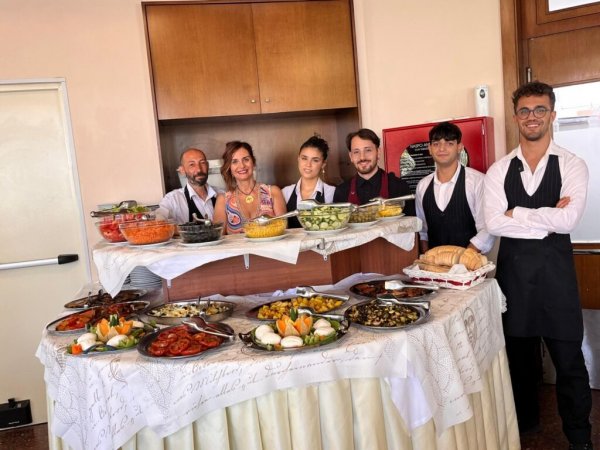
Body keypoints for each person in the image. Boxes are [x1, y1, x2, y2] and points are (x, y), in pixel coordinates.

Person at [484, 81, 592, 450]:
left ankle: (580, 439)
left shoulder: (572, 164)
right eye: (525, 111)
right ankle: (524, 431)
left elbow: (569, 220)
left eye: (540, 109)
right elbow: (493, 223)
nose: (532, 117)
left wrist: (516, 212)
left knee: (570, 364)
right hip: (514, 280)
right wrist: (546, 219)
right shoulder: (499, 170)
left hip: (557, 280)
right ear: (516, 117)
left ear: (552, 114)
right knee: (518, 364)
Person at [416, 121, 494, 254]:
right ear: (429, 148)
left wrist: (463, 259)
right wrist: (427, 258)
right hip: (433, 265)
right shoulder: (422, 186)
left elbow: (487, 229)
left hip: (470, 263)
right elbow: (423, 231)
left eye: (449, 143)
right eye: (436, 144)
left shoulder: (477, 181)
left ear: (459, 147)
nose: (442, 149)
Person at [333, 128, 415, 215]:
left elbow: (411, 222)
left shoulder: (399, 187)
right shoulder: (341, 192)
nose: (362, 157)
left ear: (378, 152)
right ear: (351, 156)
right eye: (356, 152)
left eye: (368, 150)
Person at [213, 141, 286, 234]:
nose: (242, 166)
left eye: (246, 159)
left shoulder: (273, 192)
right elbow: (217, 235)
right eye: (234, 161)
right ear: (229, 168)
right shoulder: (223, 200)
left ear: (253, 162)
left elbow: (283, 229)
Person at [282, 135, 336, 228]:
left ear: (323, 164)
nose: (308, 164)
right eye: (304, 158)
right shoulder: (285, 193)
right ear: (298, 159)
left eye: (315, 160)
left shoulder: (332, 192)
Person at [155, 148, 220, 224]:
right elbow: (160, 220)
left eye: (202, 163)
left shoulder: (222, 194)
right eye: (192, 165)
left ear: (207, 166)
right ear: (182, 170)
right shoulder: (172, 199)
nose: (199, 169)